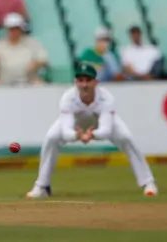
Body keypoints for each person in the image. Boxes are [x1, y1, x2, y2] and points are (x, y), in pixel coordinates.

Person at [25, 63, 158, 199]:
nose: (84, 85)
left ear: (95, 82)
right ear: (76, 82)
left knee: (126, 138)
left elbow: (106, 130)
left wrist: (93, 135)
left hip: (99, 124)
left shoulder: (106, 99)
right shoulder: (67, 98)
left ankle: (148, 182)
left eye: (88, 80)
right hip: (76, 124)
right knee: (51, 138)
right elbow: (66, 131)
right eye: (81, 81)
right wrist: (76, 135)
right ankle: (42, 186)